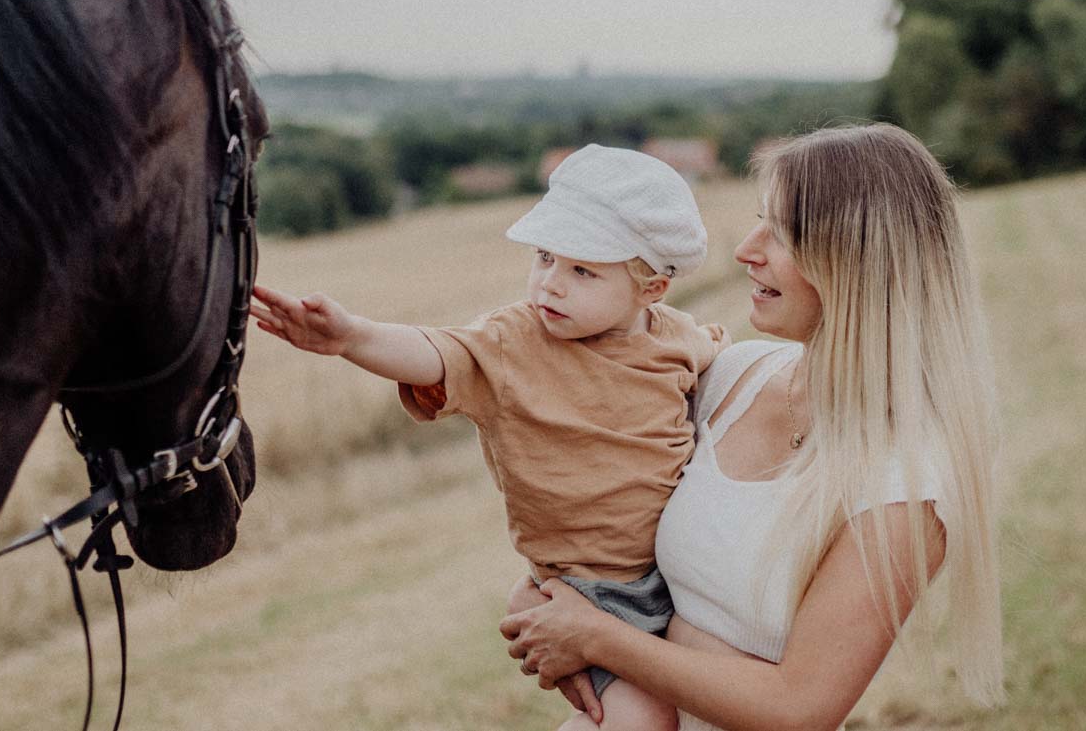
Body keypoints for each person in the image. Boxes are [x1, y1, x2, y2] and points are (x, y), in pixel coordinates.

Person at [501, 123, 1004, 731]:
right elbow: (606, 495)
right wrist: (551, 591)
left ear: (859, 264)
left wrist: (595, 638)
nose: (746, 248)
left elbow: (798, 707)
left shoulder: (905, 481)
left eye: (782, 234)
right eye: (757, 220)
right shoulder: (731, 377)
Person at [251, 145, 730, 731]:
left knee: (707, 706)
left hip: (680, 576)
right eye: (545, 257)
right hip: (588, 592)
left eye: (582, 271)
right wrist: (352, 337)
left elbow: (717, 361)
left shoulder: (677, 337)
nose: (550, 284)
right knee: (640, 720)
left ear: (652, 289)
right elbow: (434, 353)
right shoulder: (514, 343)